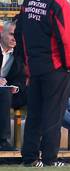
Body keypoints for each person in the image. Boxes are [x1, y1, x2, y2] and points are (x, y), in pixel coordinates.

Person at [16, 0, 70, 167]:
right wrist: (68, 65)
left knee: (35, 114)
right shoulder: (60, 3)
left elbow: (19, 34)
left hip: (33, 67)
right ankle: (50, 158)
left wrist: (25, 63)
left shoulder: (28, 2)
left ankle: (30, 158)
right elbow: (66, 38)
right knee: (53, 115)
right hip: (56, 68)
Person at [0, 21, 25, 151]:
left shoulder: (18, 53)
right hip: (3, 94)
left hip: (8, 93)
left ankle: (36, 144)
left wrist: (16, 86)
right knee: (4, 94)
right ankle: (3, 141)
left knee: (34, 94)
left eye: (17, 35)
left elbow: (20, 77)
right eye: (11, 34)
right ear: (1, 33)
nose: (14, 38)